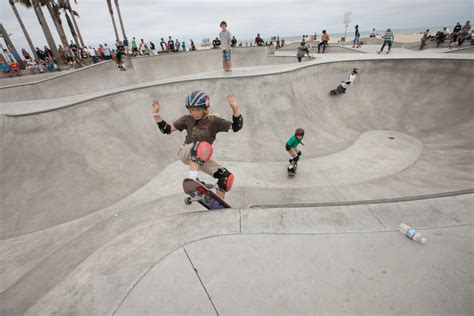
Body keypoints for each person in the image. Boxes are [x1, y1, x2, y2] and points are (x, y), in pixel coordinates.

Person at [151, 90, 243, 200]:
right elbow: (167, 129)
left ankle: (220, 205)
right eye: (192, 110)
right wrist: (156, 115)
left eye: (198, 110)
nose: (194, 113)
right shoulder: (187, 119)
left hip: (201, 156)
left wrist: (235, 109)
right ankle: (193, 179)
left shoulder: (214, 121)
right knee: (202, 145)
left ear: (205, 109)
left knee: (226, 177)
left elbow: (236, 128)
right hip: (186, 152)